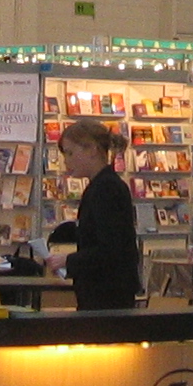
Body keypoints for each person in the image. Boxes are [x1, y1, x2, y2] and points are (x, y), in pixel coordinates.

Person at [57, 118, 139, 311]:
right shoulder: (101, 185)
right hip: (102, 291)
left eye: (70, 152)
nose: (66, 160)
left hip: (107, 294)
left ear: (92, 149)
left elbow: (111, 250)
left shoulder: (106, 188)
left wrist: (68, 260)